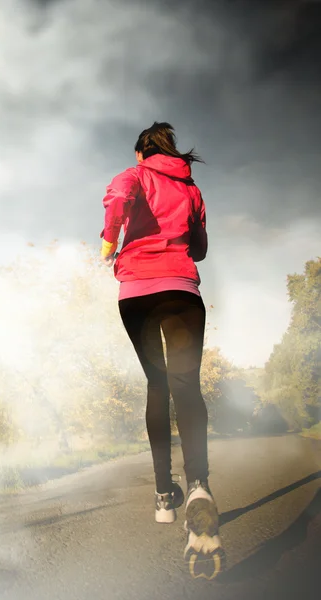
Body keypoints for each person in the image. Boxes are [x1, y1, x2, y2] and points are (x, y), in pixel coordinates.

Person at [99, 122, 224, 580]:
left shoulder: (134, 176)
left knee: (157, 384)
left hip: (136, 293)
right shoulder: (191, 190)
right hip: (181, 289)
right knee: (186, 384)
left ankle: (163, 496)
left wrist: (111, 241)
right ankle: (199, 485)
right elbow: (202, 248)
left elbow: (117, 196)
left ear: (140, 154)